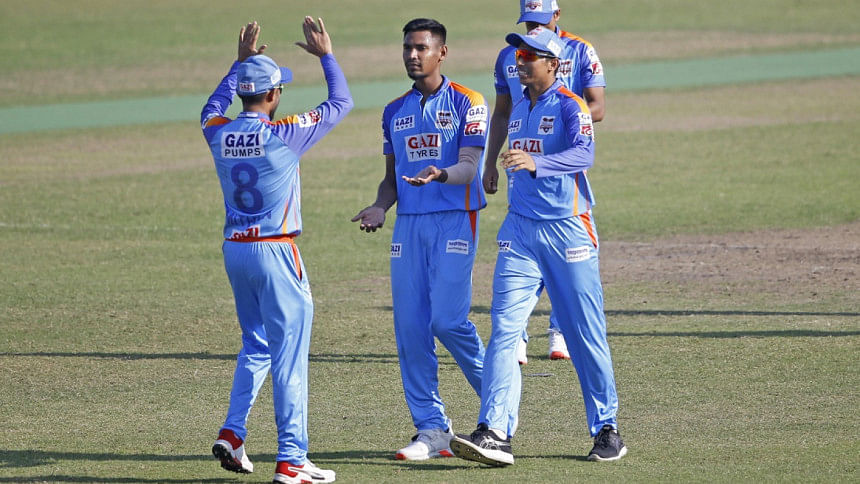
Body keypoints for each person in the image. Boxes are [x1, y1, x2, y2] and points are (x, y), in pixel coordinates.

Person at [449, 26, 626, 466]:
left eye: (530, 56)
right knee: (505, 332)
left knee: (584, 334)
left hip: (568, 230)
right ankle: (495, 431)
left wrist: (537, 162)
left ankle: (607, 429)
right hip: (520, 232)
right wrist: (494, 164)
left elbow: (584, 154)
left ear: (553, 64)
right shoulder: (518, 106)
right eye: (519, 55)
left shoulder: (570, 105)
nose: (521, 62)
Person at [201, 18, 352, 484]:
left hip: (236, 251)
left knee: (256, 345)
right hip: (276, 251)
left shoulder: (218, 132)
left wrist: (238, 64)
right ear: (272, 95)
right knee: (290, 357)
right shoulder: (283, 133)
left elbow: (210, 108)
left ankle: (234, 431)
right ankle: (292, 459)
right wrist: (327, 56)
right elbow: (340, 103)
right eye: (279, 88)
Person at [351, 18, 489, 461]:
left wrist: (440, 174)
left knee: (447, 322)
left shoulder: (469, 101)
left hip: (455, 219)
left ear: (441, 53)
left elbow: (469, 167)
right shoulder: (394, 110)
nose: (413, 55)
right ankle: (431, 430)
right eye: (408, 48)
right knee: (411, 328)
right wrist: (380, 206)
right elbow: (391, 180)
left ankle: (498, 403)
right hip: (409, 226)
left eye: (421, 48)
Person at [485, 0, 607, 365]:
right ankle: (516, 336)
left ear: (557, 15)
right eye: (528, 23)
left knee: (565, 257)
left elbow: (596, 108)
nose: (534, 30)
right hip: (522, 163)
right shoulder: (508, 57)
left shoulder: (580, 51)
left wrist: (560, 117)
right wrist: (490, 162)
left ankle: (559, 330)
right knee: (524, 250)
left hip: (561, 157)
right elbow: (503, 112)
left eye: (541, 21)